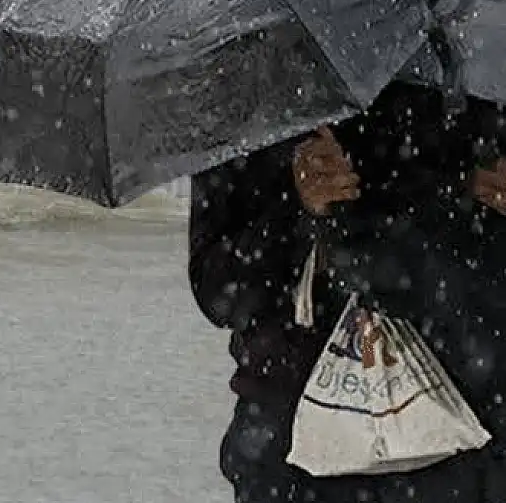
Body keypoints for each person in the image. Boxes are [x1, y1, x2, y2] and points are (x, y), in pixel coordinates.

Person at [188, 81, 506, 502]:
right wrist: (297, 208)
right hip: (294, 442)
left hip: (465, 434)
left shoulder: (479, 69)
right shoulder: (245, 92)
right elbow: (220, 292)